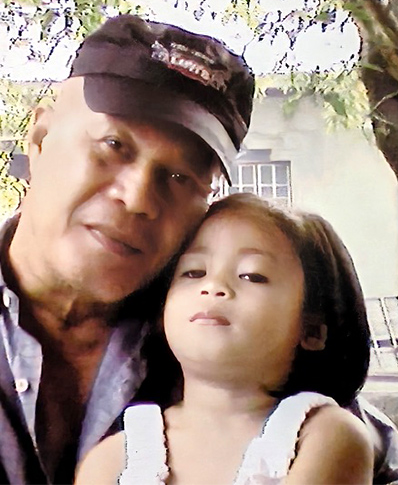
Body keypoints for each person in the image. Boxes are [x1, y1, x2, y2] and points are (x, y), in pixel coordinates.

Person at [0, 14, 398, 484]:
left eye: (181, 177)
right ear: (42, 133)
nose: (137, 197)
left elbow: (386, 461)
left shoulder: (202, 324)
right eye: (114, 146)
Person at [75, 193, 375, 484]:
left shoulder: (325, 436)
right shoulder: (114, 457)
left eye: (252, 275)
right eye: (194, 272)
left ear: (312, 330)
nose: (213, 286)